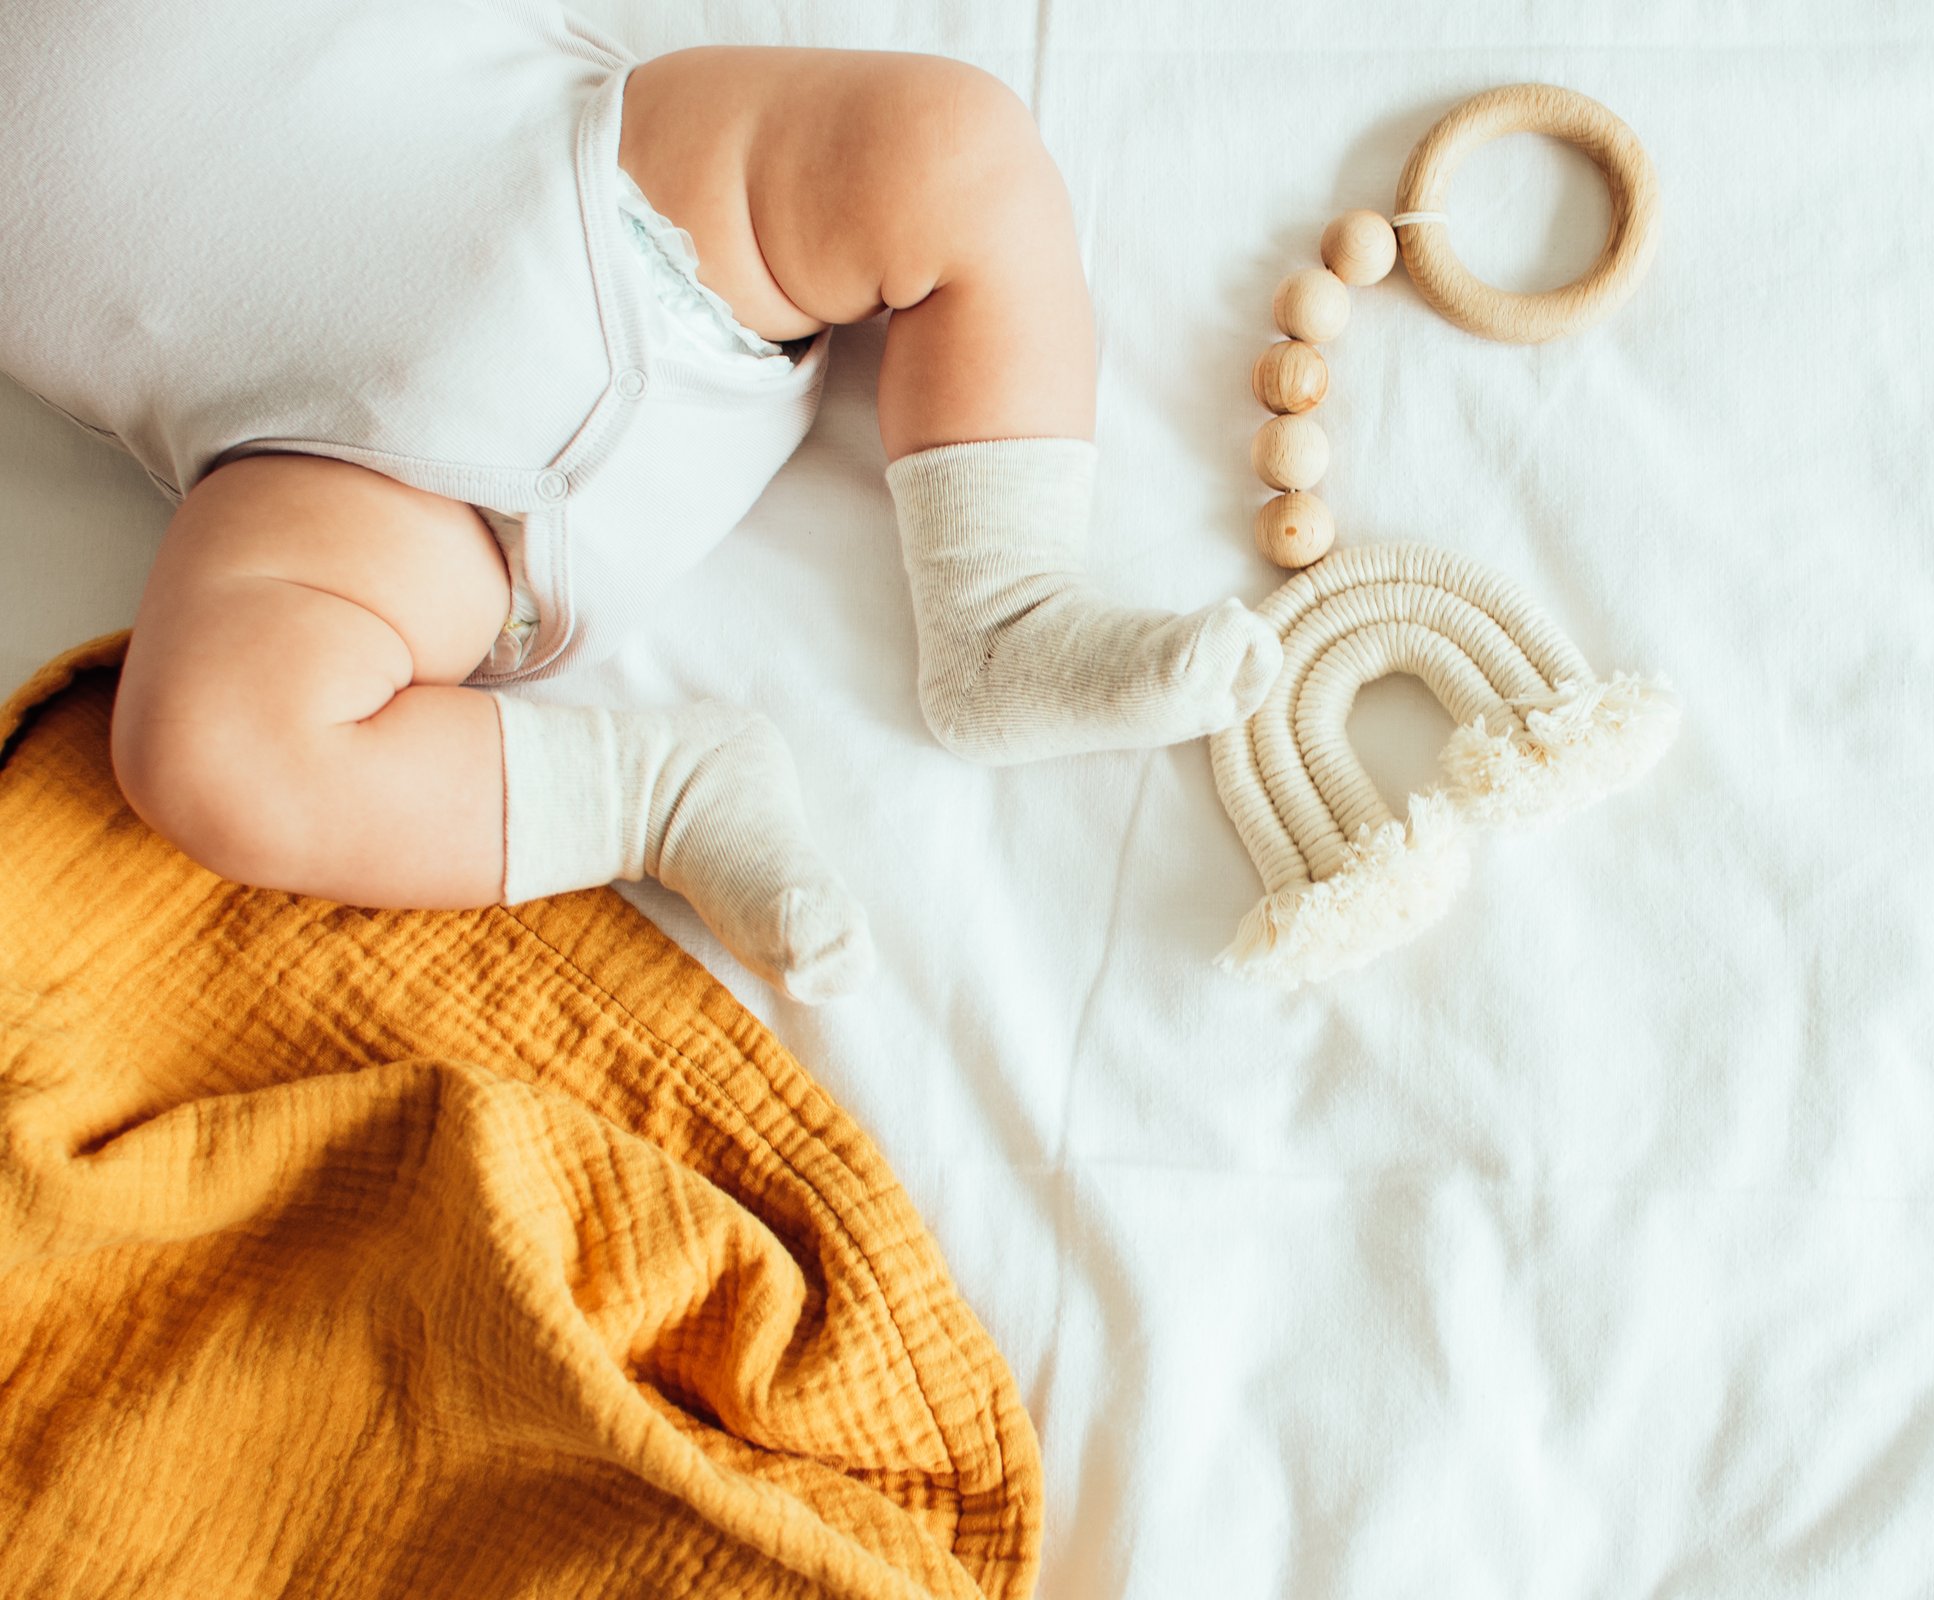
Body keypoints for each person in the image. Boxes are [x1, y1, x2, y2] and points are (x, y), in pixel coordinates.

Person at [0, 2, 1283, 1001]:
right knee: (209, 750)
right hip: (341, 466)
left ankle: (1004, 606)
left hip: (606, 198)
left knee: (950, 146)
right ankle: (661, 792)